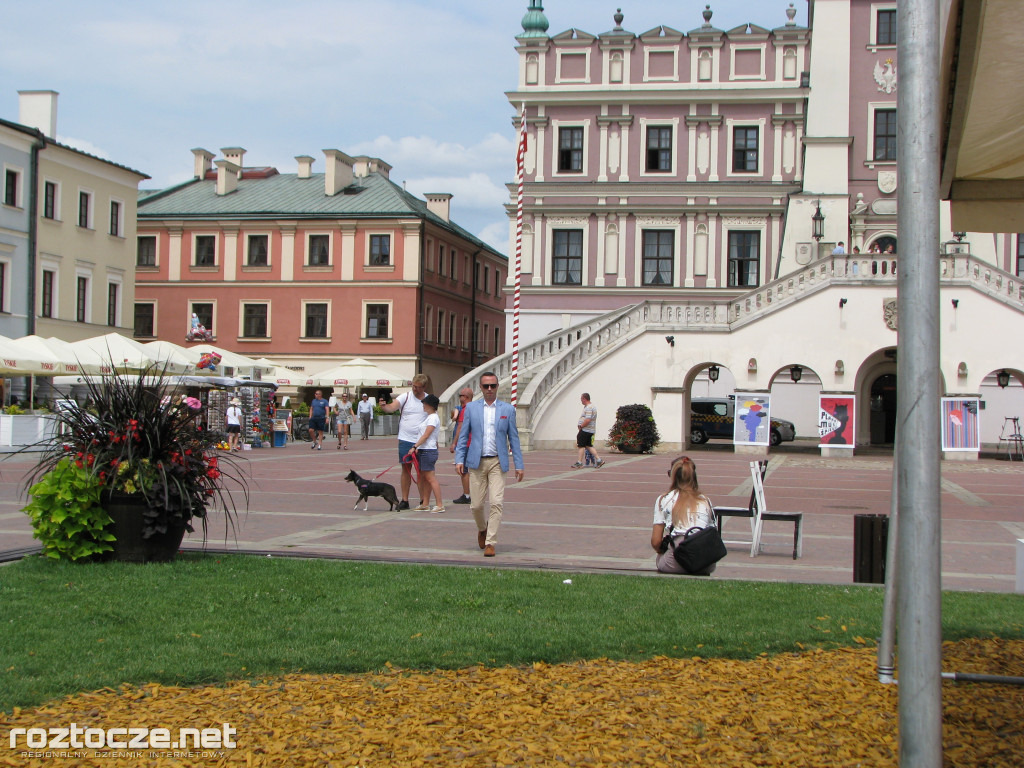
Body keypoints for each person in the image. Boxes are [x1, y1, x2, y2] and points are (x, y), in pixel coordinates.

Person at [455, 371, 525, 558]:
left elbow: (514, 439)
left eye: (492, 386)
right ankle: (482, 528)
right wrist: (459, 460)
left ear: (497, 387)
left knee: (496, 503)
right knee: (476, 505)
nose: (489, 389)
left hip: (497, 461)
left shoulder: (507, 410)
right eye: (486, 386)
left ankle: (490, 542)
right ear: (480, 387)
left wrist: (519, 464)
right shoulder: (471, 409)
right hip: (476, 462)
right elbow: (463, 436)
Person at [651, 455, 718, 575]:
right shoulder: (705, 500)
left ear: (673, 476)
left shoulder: (664, 499)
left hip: (677, 557)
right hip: (706, 562)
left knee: (660, 559)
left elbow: (656, 542)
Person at [379, 373, 430, 510]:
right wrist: (384, 407)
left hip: (421, 441)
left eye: (418, 387)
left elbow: (433, 420)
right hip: (405, 439)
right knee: (406, 469)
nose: (415, 389)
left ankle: (422, 500)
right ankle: (405, 500)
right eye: (413, 386)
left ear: (424, 387)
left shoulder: (428, 399)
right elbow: (392, 407)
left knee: (421, 471)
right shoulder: (405, 397)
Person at [406, 394, 444, 513]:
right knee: (424, 477)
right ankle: (425, 503)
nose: (423, 405)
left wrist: (414, 446)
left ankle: (439, 504)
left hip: (428, 450)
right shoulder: (429, 417)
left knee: (430, 478)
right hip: (424, 450)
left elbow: (426, 435)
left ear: (430, 405)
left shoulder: (433, 418)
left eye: (425, 403)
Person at [449, 387, 473, 504]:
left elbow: (460, 427)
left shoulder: (465, 410)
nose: (459, 398)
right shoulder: (474, 408)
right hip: (473, 443)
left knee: (464, 470)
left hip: (466, 443)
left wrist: (454, 443)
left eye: (460, 396)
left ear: (466, 397)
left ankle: (467, 495)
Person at [571, 392, 605, 469]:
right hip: (590, 430)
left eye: (581, 399)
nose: (581, 401)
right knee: (588, 445)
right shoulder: (591, 407)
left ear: (584, 399)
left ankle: (579, 462)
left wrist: (581, 426)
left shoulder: (589, 408)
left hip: (586, 430)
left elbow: (588, 420)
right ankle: (599, 460)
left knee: (581, 446)